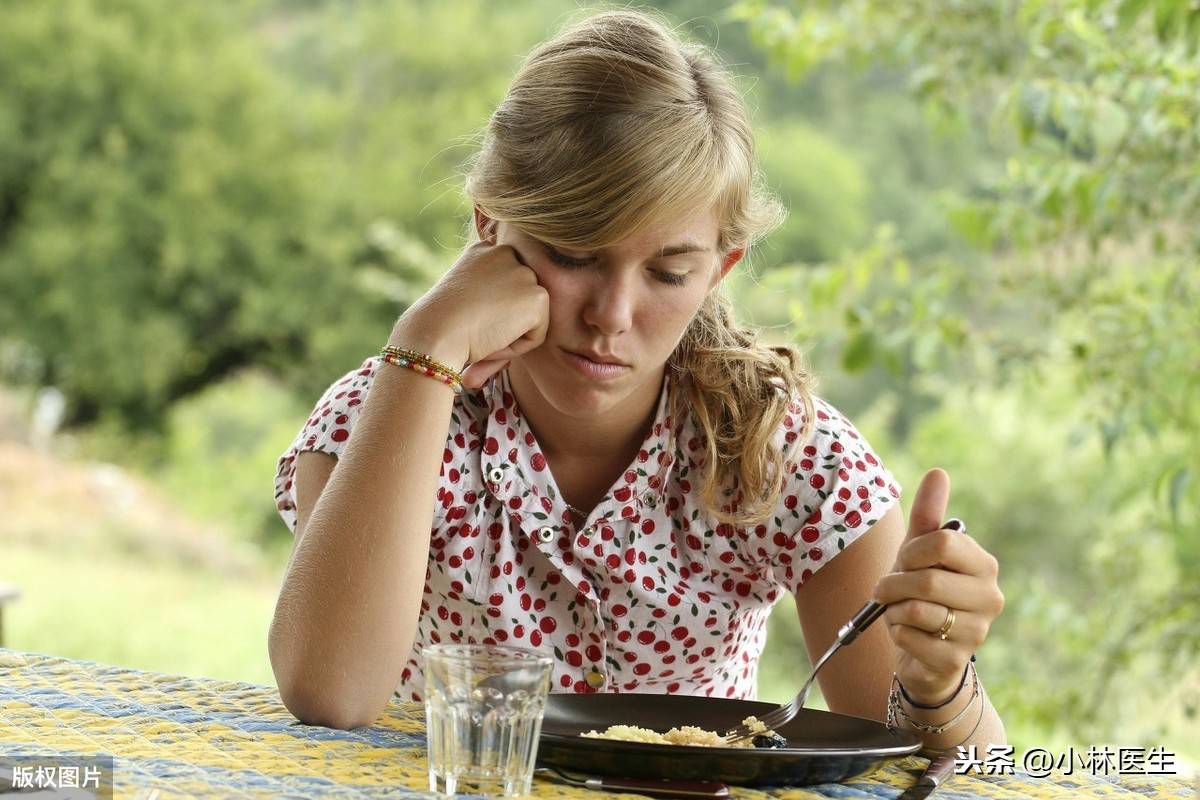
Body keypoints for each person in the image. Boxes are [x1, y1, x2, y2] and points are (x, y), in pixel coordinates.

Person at [268, 8, 1007, 756]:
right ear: (490, 226)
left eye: (668, 272)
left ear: (719, 271)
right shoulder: (390, 410)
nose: (611, 317)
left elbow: (939, 766)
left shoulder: (790, 453)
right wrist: (423, 346)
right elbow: (332, 693)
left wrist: (939, 680)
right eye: (575, 254)